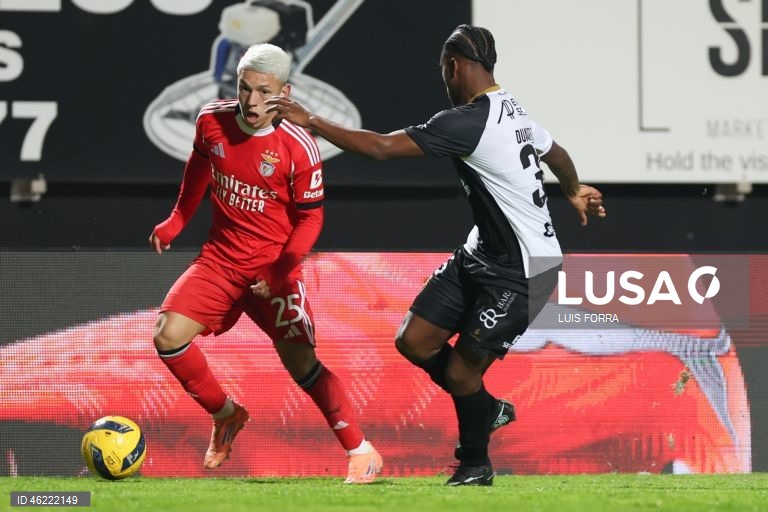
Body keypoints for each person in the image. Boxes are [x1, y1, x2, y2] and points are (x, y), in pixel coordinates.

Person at [265, 24, 606, 486]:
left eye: (443, 72)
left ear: (453, 66)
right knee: (414, 340)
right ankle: (486, 409)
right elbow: (557, 153)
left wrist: (314, 121)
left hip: (526, 268)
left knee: (464, 373)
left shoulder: (465, 122)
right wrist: (573, 190)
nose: (443, 81)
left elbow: (383, 148)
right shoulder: (513, 109)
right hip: (480, 252)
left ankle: (475, 465)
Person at [148, 43, 383, 484]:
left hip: (273, 270)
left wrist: (282, 272)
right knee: (167, 337)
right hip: (219, 261)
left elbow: (312, 217)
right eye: (244, 88)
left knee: (303, 366)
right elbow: (199, 167)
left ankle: (361, 451)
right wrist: (177, 220)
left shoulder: (298, 146)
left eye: (264, 91)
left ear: (285, 92)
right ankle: (227, 414)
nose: (252, 101)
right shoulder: (210, 121)